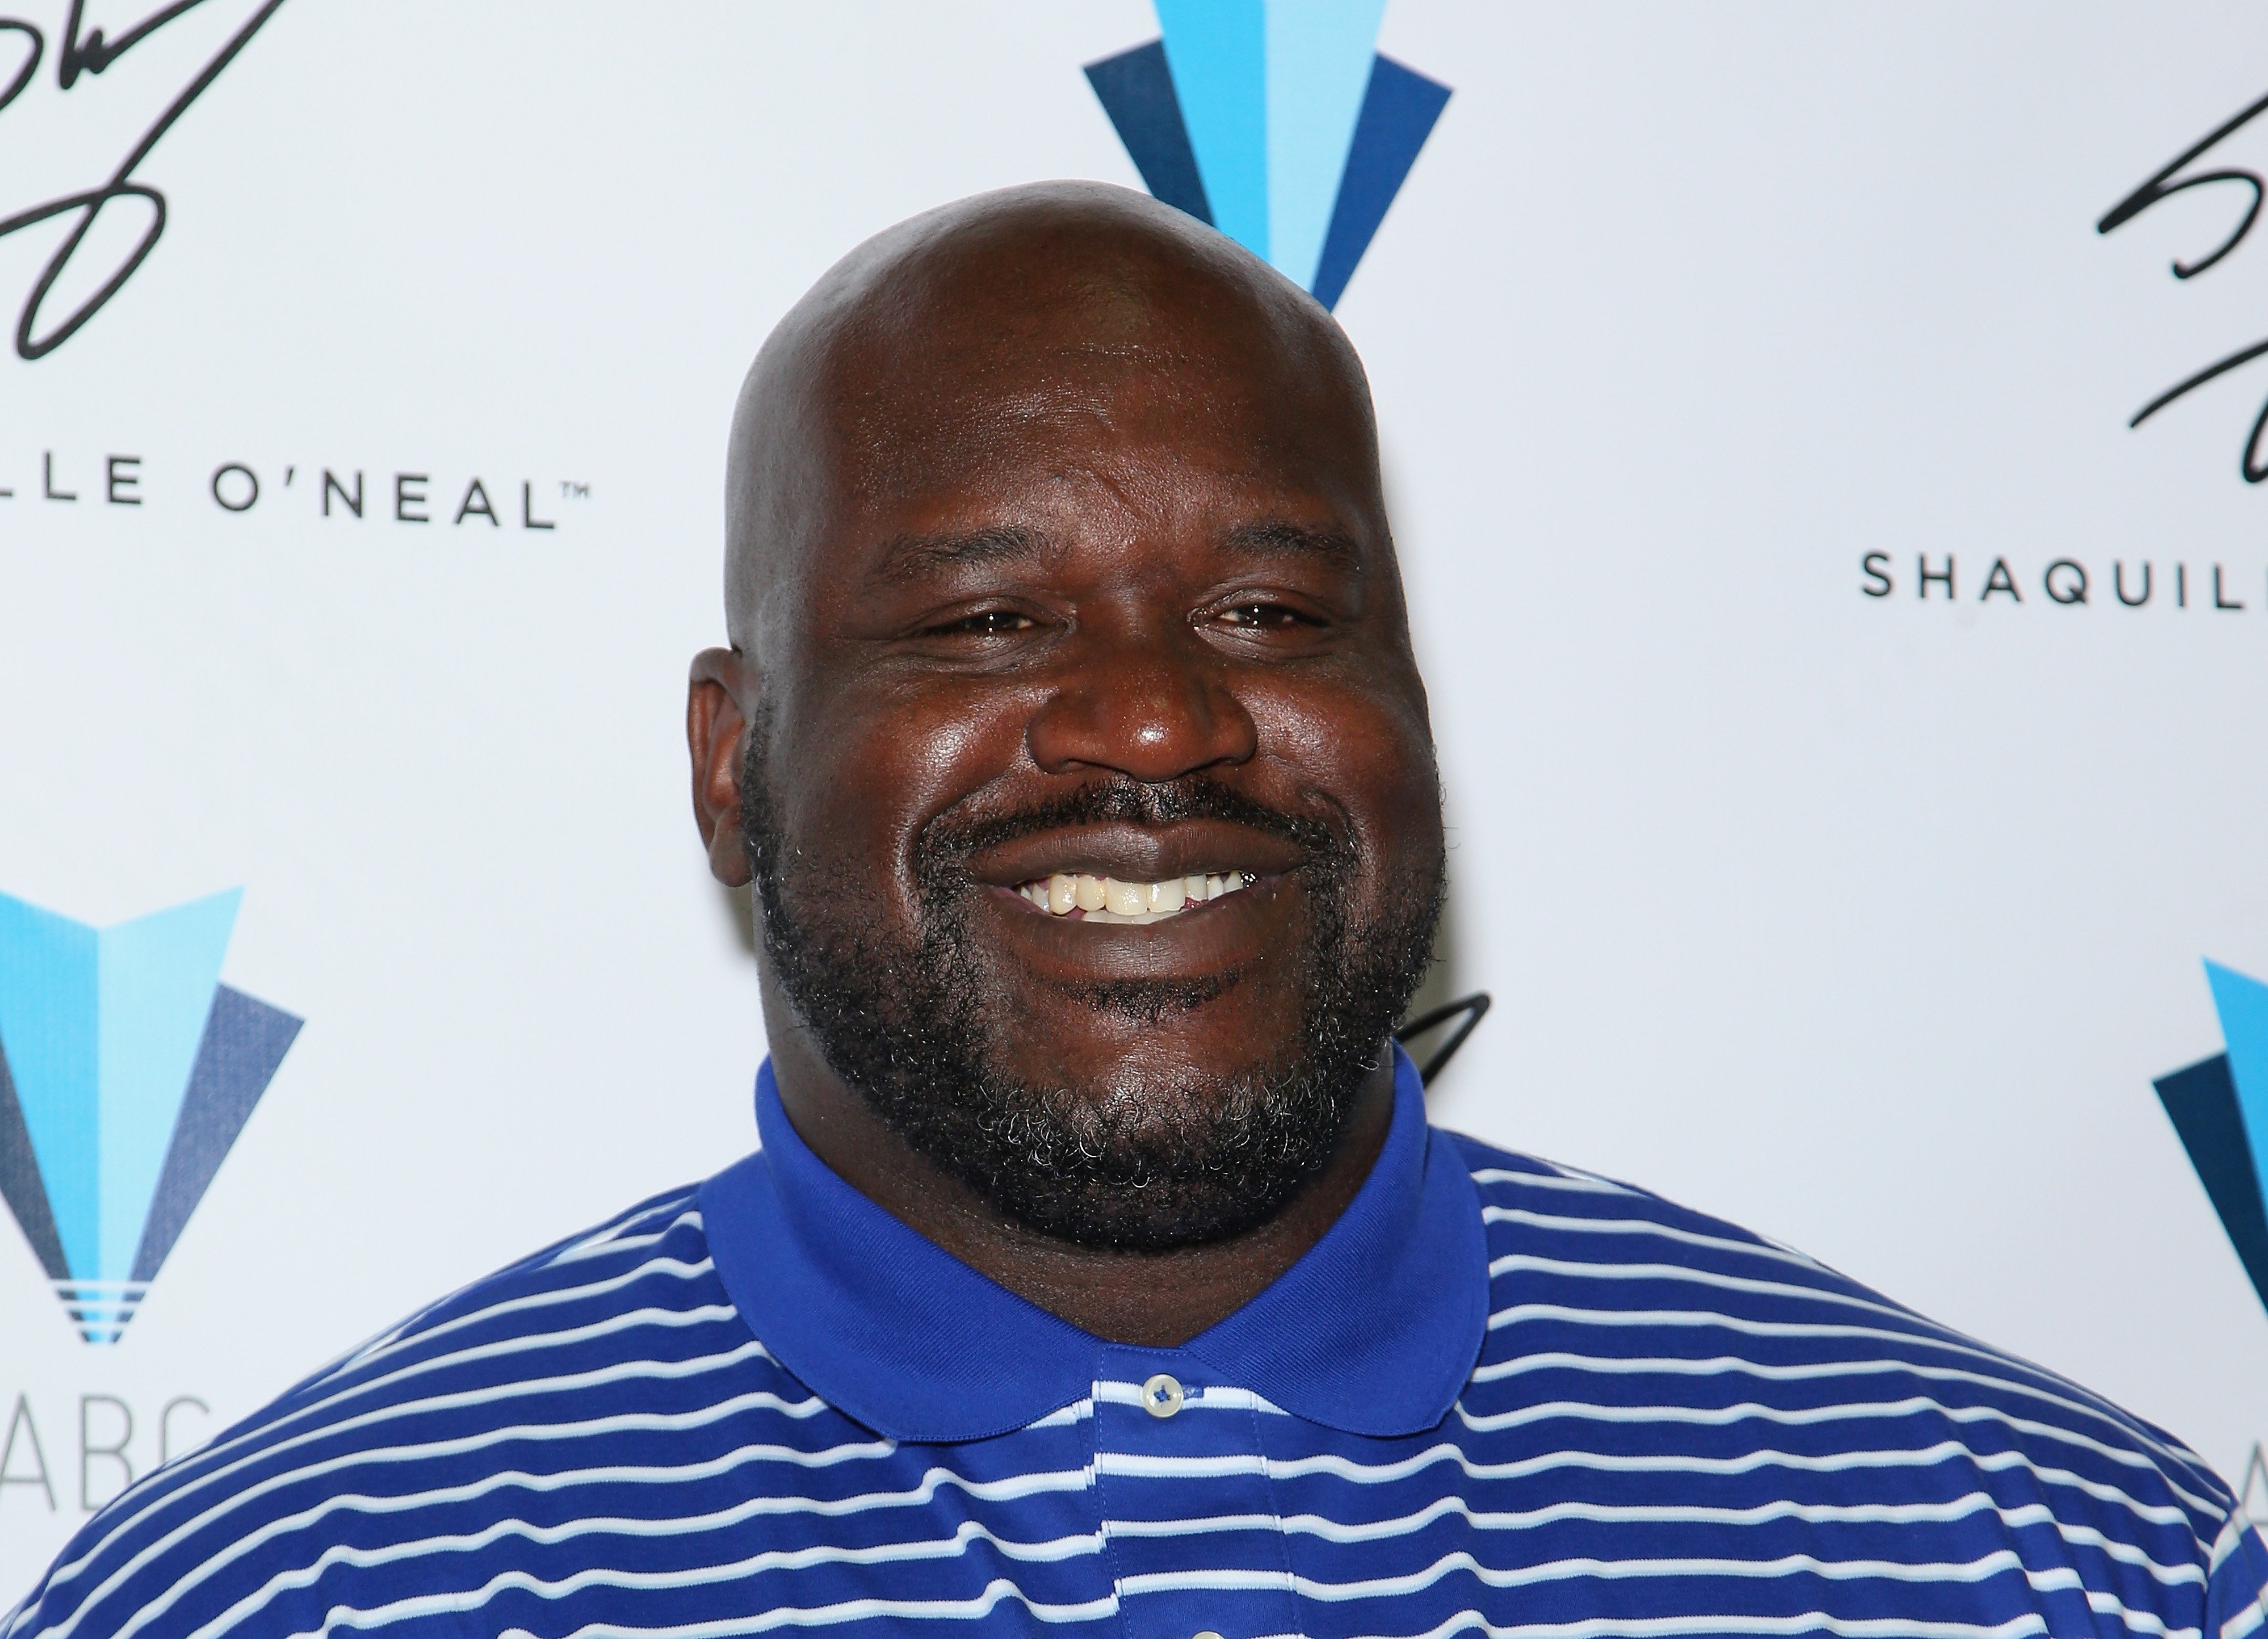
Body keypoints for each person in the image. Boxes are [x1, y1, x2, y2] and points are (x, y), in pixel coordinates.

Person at [7, 181, 2263, 1639]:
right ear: (730, 762)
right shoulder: (285, 1589)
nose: (1161, 726)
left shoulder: (2047, 1559)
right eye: (984, 626)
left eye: (1274, 604)